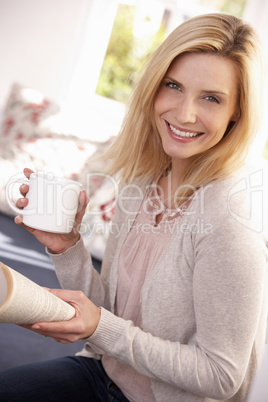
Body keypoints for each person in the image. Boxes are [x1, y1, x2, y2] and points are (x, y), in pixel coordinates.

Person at [0, 12, 267, 402]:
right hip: (102, 373)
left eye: (211, 98)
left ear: (237, 113)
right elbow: (110, 313)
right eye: (173, 86)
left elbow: (222, 375)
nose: (184, 113)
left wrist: (101, 329)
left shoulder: (230, 224)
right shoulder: (143, 181)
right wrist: (68, 247)